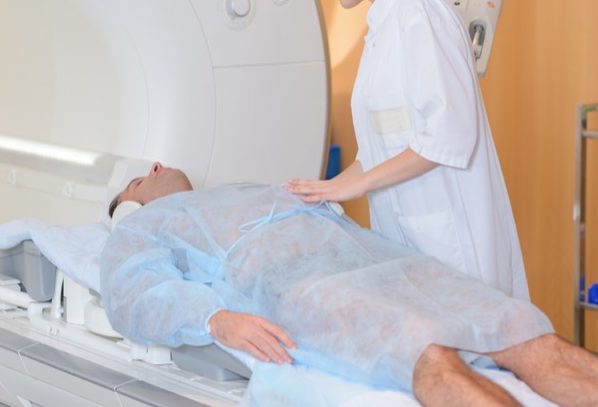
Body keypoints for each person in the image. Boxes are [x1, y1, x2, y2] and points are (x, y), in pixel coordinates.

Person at [102, 163, 598, 407]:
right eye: (138, 180)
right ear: (129, 204)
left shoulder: (240, 188)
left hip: (377, 257)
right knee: (424, 351)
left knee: (518, 327)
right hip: (301, 286)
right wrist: (215, 318)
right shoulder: (141, 227)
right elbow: (133, 295)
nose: (155, 168)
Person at [284, 0, 527, 300]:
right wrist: (323, 190)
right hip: (412, 246)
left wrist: (356, 185)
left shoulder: (420, 12)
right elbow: (381, 149)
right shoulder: (382, 28)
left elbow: (449, 136)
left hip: (454, 247)